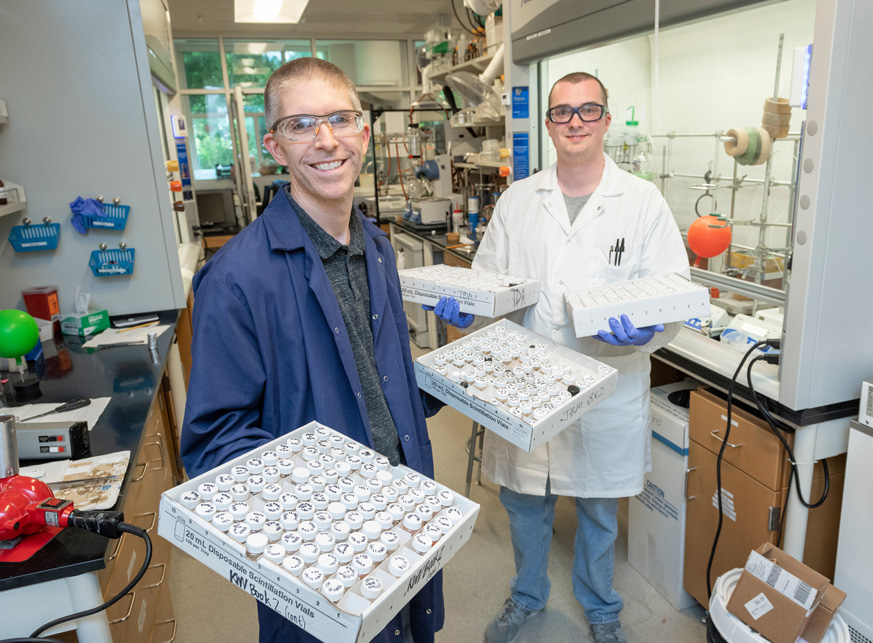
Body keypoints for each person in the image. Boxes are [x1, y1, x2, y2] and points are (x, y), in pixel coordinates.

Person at [181, 57, 444, 643]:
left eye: (340, 119)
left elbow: (373, 379)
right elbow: (215, 444)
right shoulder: (235, 279)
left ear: (365, 134)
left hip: (405, 519)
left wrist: (454, 379)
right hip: (320, 551)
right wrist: (328, 501)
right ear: (273, 145)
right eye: (301, 125)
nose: (326, 140)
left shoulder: (377, 247)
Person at [429, 72, 689, 643]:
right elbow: (490, 284)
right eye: (563, 112)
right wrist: (466, 311)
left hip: (608, 383)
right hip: (525, 383)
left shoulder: (642, 203)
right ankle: (527, 595)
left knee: (598, 511)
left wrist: (643, 333)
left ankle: (601, 609)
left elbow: (673, 288)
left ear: (606, 119)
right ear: (548, 123)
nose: (575, 122)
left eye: (588, 110)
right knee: (525, 500)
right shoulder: (520, 200)